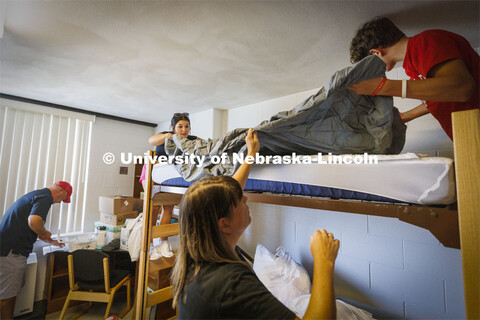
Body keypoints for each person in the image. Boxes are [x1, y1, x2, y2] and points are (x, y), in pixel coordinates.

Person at [171, 128, 340, 319]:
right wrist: (324, 262)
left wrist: (251, 155)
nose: (246, 200)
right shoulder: (231, 281)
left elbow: (231, 190)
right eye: (239, 200)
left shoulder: (197, 260)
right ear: (224, 225)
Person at [348, 17, 479, 140]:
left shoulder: (425, 41)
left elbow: (462, 87)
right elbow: (440, 97)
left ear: (375, 53)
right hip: (467, 136)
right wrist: (405, 116)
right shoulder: (410, 66)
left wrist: (382, 86)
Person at [0, 181, 72, 319]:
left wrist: (52, 241)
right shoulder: (45, 197)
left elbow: (32, 226)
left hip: (8, 248)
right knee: (6, 297)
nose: (59, 202)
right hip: (12, 251)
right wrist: (44, 233)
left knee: (9, 292)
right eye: (62, 199)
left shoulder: (36, 195)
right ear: (61, 191)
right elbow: (34, 221)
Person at [140, 112, 202, 259]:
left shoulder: (191, 139)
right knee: (153, 207)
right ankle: (149, 245)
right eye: (180, 126)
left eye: (187, 126)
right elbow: (151, 140)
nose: (184, 130)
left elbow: (205, 144)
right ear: (173, 127)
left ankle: (163, 242)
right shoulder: (166, 135)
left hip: (169, 176)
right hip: (151, 173)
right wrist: (169, 136)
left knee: (168, 207)